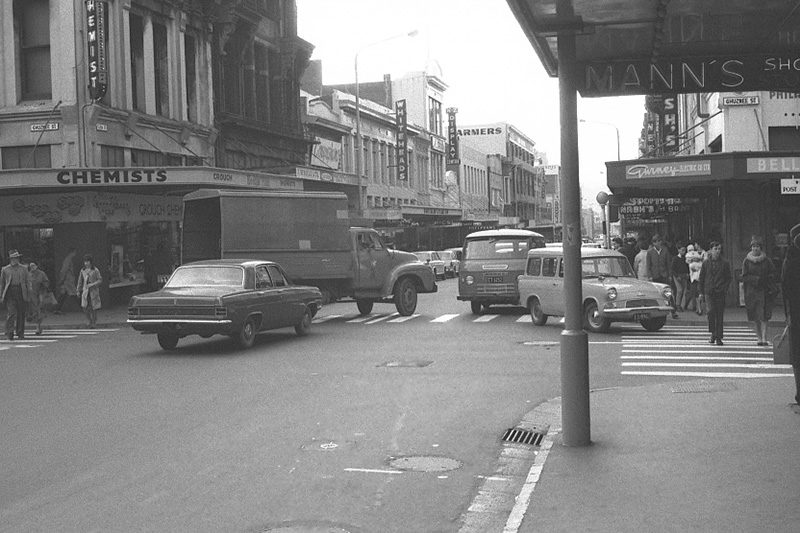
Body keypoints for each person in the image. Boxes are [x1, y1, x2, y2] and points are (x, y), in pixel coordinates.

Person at [741, 236, 777, 347]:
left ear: (760, 248)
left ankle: (764, 338)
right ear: (751, 248)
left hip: (765, 291)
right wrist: (756, 280)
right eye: (753, 247)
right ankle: (759, 337)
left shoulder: (767, 260)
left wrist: (767, 279)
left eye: (757, 246)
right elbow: (744, 276)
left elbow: (773, 273)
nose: (755, 249)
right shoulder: (747, 261)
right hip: (752, 292)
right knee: (755, 316)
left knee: (765, 316)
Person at [698, 241, 732, 346]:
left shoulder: (725, 263)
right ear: (711, 250)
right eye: (715, 249)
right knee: (711, 312)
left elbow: (728, 277)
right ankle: (713, 332)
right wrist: (701, 292)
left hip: (720, 291)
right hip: (709, 291)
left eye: (719, 249)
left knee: (719, 314)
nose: (717, 251)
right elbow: (702, 278)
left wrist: (725, 288)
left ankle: (718, 337)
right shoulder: (706, 263)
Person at [781, 223, 800, 410]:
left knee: (797, 356)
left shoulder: (790, 259)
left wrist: (788, 314)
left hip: (796, 312)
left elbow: (785, 289)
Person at [1, 249, 32, 341]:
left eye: (17, 258)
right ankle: (10, 332)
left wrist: (29, 293)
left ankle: (20, 332)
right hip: (10, 291)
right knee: (11, 312)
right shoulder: (5, 269)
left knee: (21, 313)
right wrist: (1, 295)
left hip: (21, 291)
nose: (16, 260)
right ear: (10, 259)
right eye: (14, 258)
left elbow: (28, 281)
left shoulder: (24, 268)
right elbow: (2, 283)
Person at [647, 234, 678, 318]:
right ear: (654, 243)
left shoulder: (665, 250)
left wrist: (669, 275)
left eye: (660, 241)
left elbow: (668, 264)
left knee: (668, 293)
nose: (660, 243)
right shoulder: (650, 252)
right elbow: (648, 265)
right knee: (656, 294)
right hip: (655, 275)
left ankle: (673, 311)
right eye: (658, 241)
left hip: (664, 274)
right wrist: (650, 276)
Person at [76, 254, 102, 328]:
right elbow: (80, 281)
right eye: (85, 262)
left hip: (93, 291)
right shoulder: (83, 271)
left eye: (88, 261)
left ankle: (94, 321)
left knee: (93, 307)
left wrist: (93, 284)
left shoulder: (95, 270)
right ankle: (89, 320)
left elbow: (100, 280)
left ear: (91, 262)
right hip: (85, 291)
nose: (86, 263)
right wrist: (78, 290)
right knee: (85, 307)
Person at [27, 261, 51, 335]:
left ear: (37, 266)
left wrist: (43, 286)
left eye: (33, 265)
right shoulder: (27, 274)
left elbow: (47, 282)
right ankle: (36, 324)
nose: (32, 267)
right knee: (33, 311)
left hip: (40, 294)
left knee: (39, 311)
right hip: (30, 295)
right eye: (30, 266)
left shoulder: (41, 274)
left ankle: (38, 326)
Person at [55, 247, 78, 314]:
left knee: (63, 294)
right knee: (74, 293)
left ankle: (57, 308)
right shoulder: (68, 259)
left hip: (66, 280)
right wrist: (62, 279)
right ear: (72, 252)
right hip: (68, 280)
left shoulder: (68, 259)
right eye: (75, 252)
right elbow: (64, 270)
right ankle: (84, 306)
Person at [685, 244, 704, 314]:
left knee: (698, 293)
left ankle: (698, 308)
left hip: (699, 278)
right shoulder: (689, 260)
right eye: (689, 250)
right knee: (695, 293)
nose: (691, 252)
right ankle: (698, 308)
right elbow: (691, 266)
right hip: (693, 278)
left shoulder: (699, 258)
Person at [671, 242, 690, 312]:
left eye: (684, 250)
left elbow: (687, 266)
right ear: (678, 250)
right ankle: (677, 305)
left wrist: (687, 273)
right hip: (677, 276)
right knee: (680, 290)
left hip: (684, 275)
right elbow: (672, 269)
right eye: (682, 250)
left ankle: (679, 304)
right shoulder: (675, 259)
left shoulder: (686, 258)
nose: (684, 252)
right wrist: (676, 276)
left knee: (682, 291)